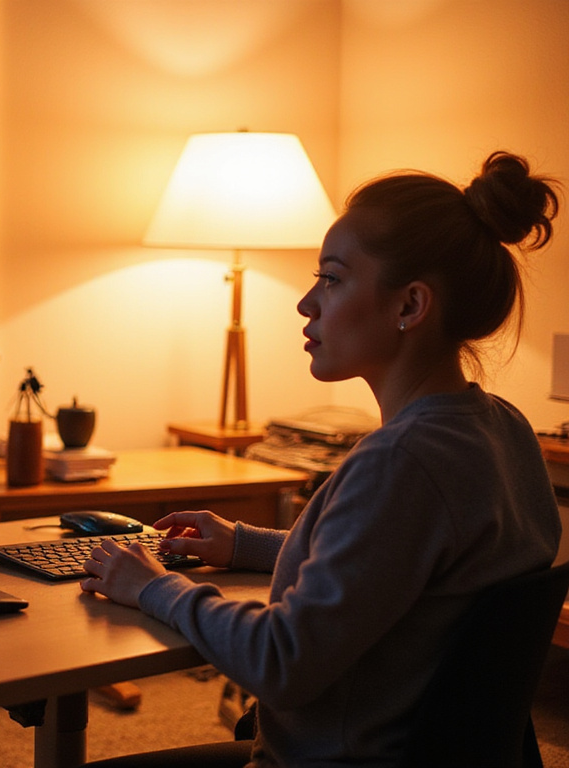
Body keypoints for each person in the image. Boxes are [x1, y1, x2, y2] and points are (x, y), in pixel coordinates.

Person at [80, 152, 562, 767]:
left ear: (410, 306)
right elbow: (405, 575)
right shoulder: (502, 429)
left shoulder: (401, 463)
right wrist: (246, 545)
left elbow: (282, 664)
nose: (306, 303)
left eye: (332, 278)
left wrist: (154, 588)